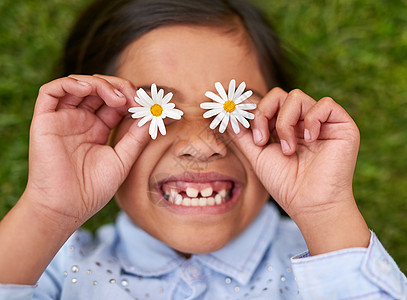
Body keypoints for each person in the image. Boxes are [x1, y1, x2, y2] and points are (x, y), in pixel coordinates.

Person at [0, 0, 406, 299]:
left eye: (238, 109)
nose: (202, 145)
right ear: (93, 124)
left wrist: (326, 212)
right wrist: (47, 210)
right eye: (151, 109)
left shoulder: (330, 260)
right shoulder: (50, 269)